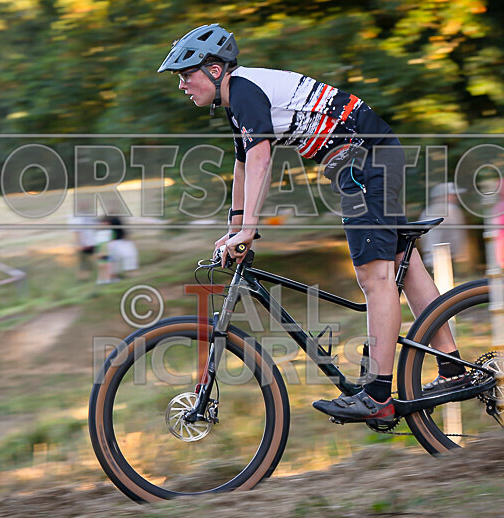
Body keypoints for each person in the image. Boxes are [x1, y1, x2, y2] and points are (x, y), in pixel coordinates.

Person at [158, 24, 470, 426]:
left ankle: (378, 395)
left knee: (375, 277)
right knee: (402, 267)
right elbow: (241, 164)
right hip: (366, 158)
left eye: (186, 75)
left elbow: (260, 160)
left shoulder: (244, 90)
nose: (182, 85)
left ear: (215, 70)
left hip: (364, 160)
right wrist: (235, 226)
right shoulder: (240, 99)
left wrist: (249, 230)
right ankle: (453, 369)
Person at [417, 182, 470, 271]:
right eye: (453, 195)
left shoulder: (426, 211)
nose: (456, 198)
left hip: (428, 258)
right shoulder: (451, 209)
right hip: (446, 258)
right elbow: (457, 234)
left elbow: (421, 236)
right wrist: (461, 256)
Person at [96, 215, 139, 284]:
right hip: (112, 243)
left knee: (118, 259)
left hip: (116, 241)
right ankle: (108, 278)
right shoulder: (105, 226)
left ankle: (119, 275)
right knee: (108, 262)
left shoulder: (115, 219)